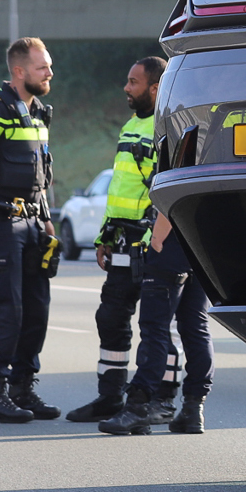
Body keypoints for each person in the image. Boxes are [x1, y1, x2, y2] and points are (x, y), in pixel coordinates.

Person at [0, 37, 59, 423]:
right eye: (42, 67)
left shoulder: (38, 113)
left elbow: (40, 175)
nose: (50, 73)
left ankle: (23, 388)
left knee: (37, 310)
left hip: (35, 222)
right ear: (19, 71)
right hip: (1, 222)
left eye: (48, 66)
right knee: (9, 310)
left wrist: (47, 217)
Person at [66, 56, 162, 422]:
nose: (126, 88)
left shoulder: (167, 125)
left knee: (158, 324)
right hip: (122, 240)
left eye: (133, 82)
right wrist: (105, 234)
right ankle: (110, 397)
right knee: (111, 318)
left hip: (151, 242)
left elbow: (164, 189)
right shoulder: (130, 126)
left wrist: (155, 239)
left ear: (155, 88)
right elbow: (122, 188)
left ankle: (160, 400)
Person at [99, 211, 212, 435]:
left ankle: (138, 406)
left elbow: (170, 195)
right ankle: (193, 409)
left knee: (154, 327)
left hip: (172, 241)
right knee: (196, 327)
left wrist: (157, 238)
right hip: (207, 244)